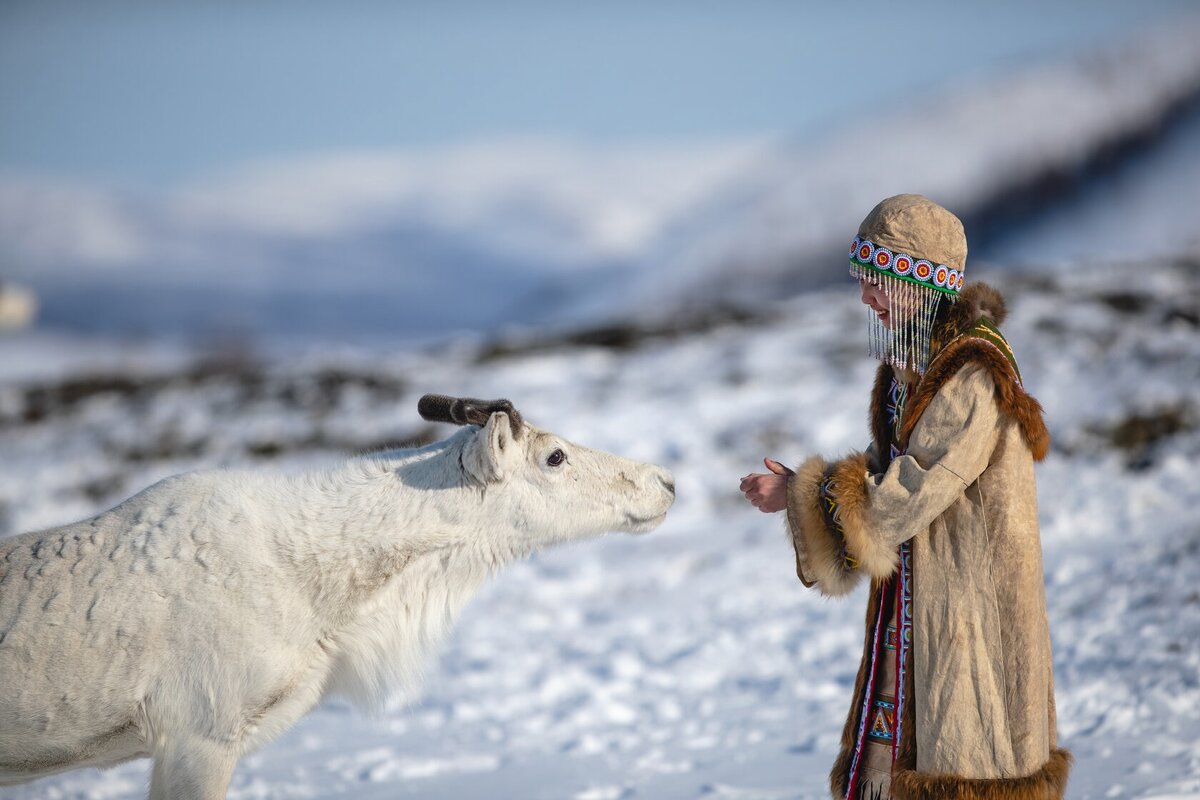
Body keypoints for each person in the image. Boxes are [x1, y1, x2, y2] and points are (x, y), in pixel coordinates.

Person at [740, 195, 1070, 800]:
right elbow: (888, 466)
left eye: (876, 282)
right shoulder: (912, 366)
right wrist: (807, 489)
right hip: (918, 601)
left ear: (919, 282)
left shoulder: (970, 375)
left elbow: (913, 488)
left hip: (967, 606)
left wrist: (803, 495)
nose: (865, 298)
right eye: (862, 282)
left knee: (964, 756)